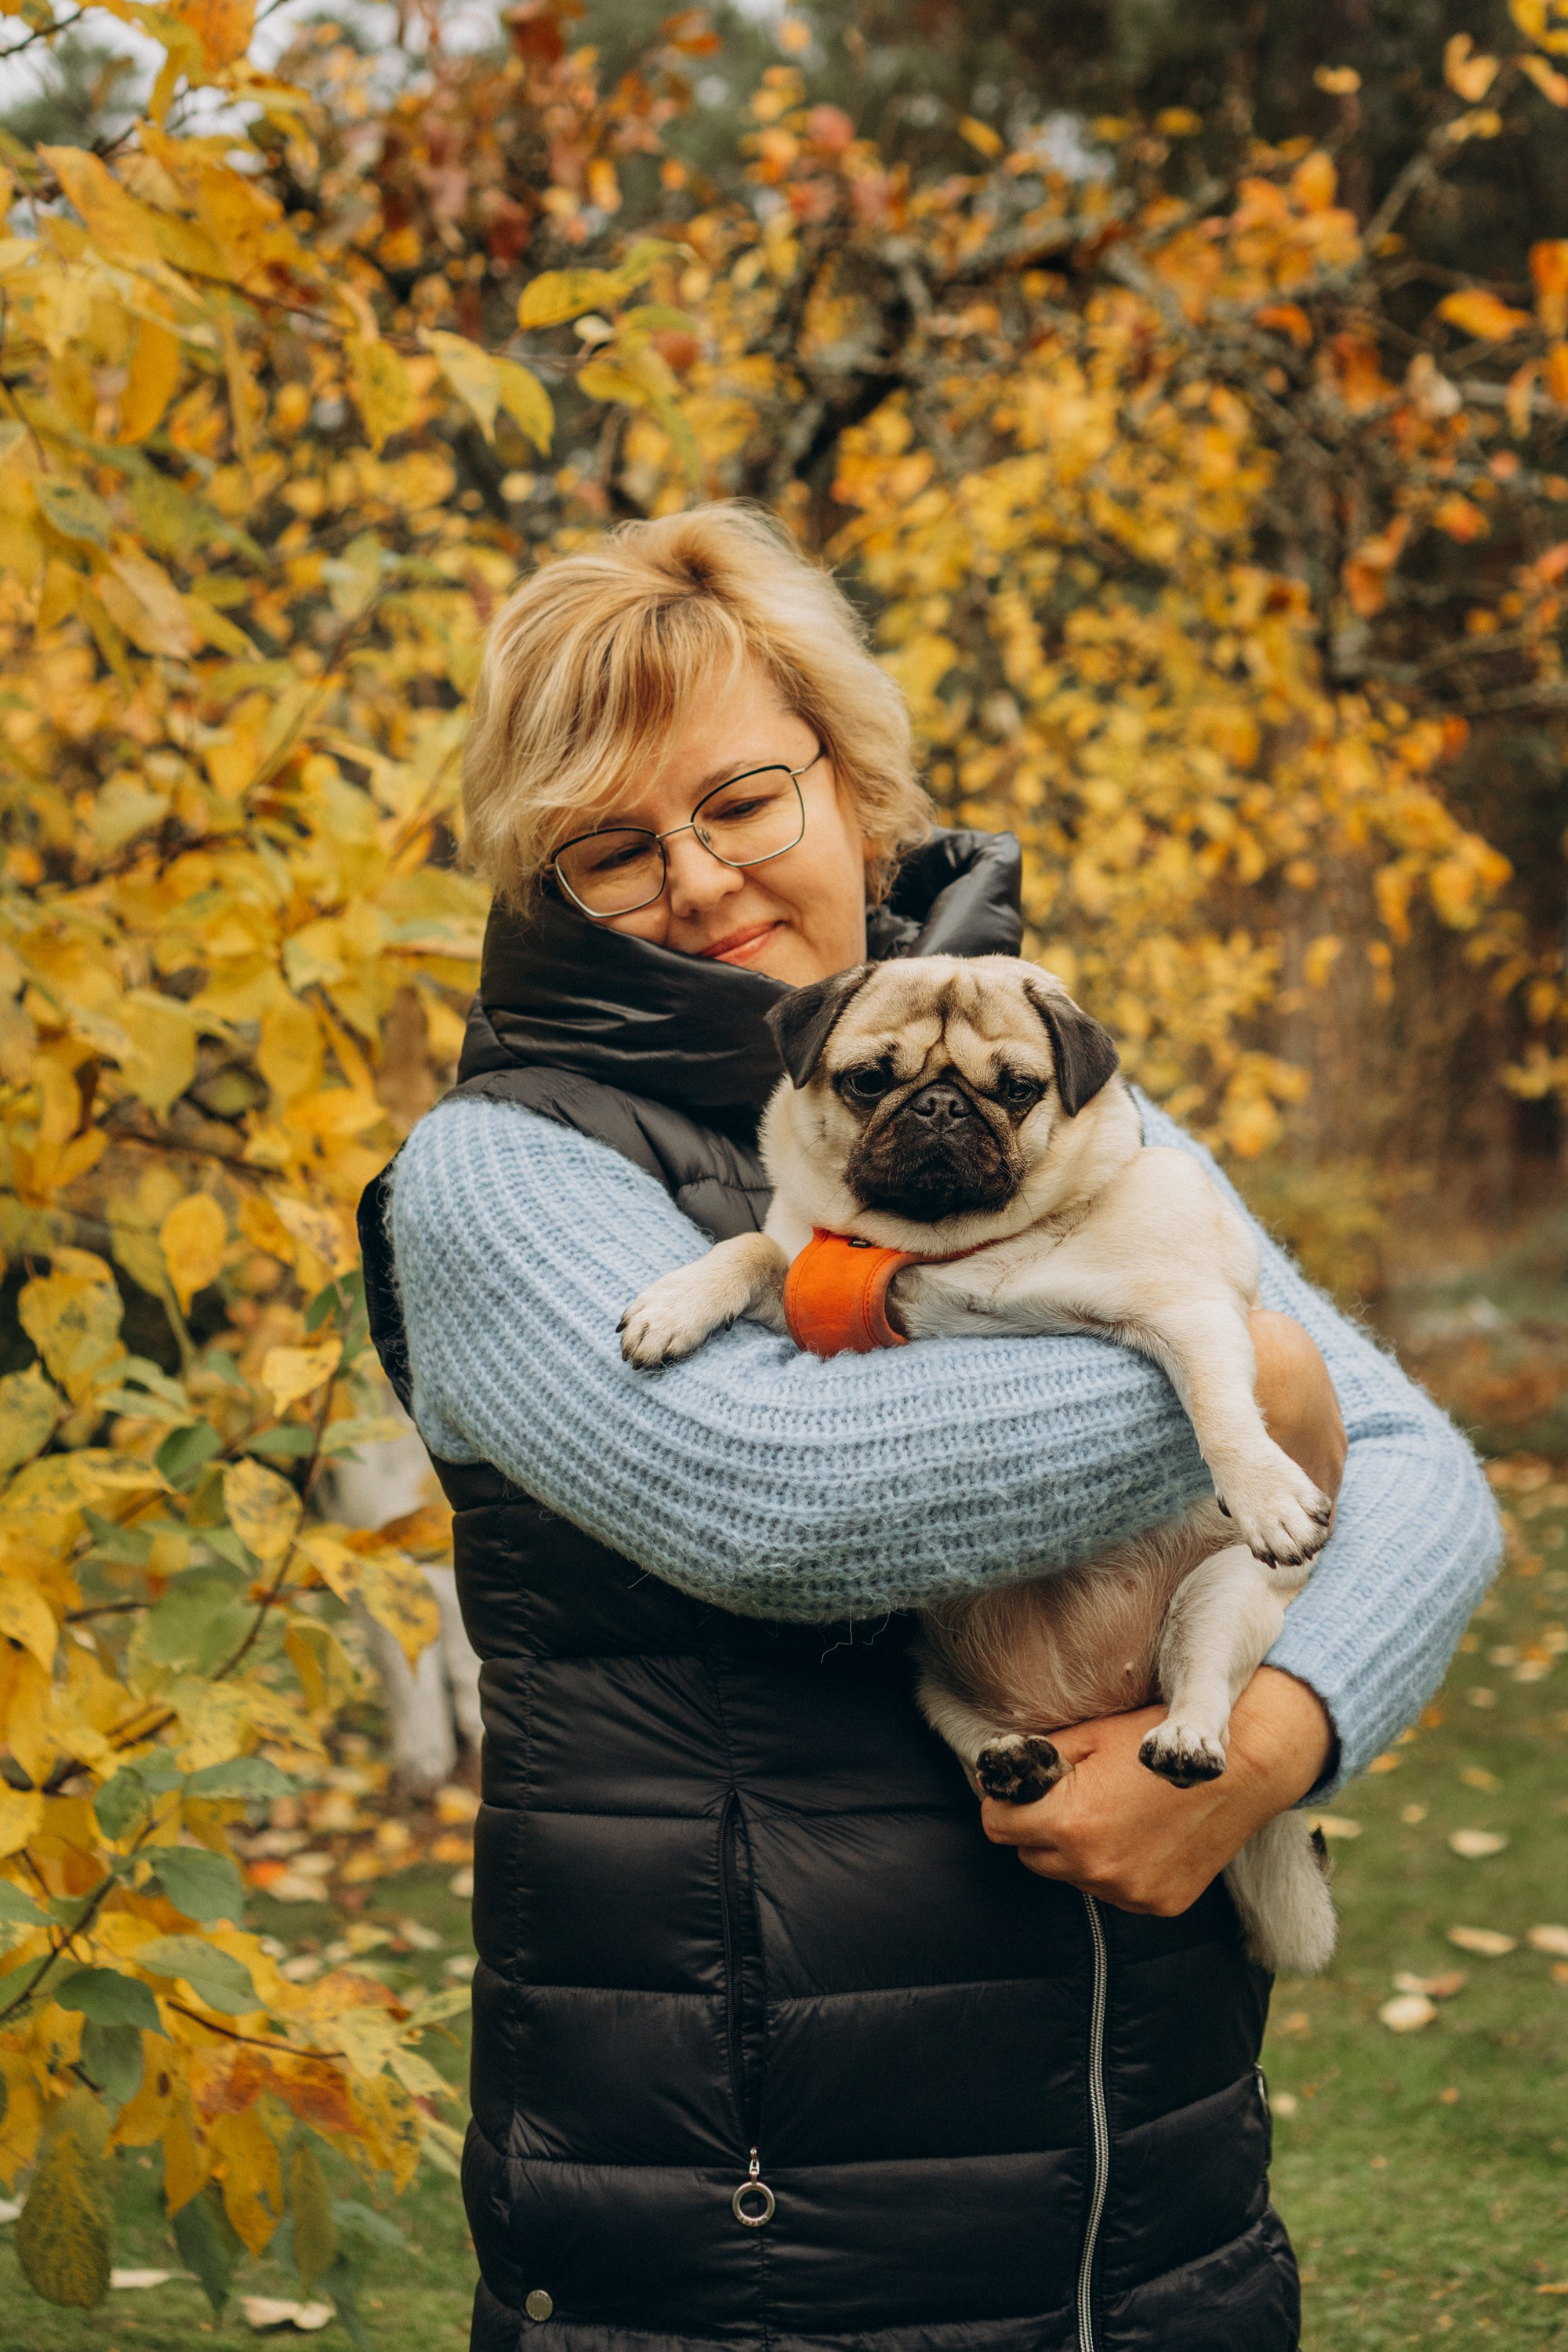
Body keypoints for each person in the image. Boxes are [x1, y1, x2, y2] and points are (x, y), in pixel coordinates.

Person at [360, 504, 1501, 2352]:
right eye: (612, 848)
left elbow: (1427, 1480)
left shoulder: (1044, 1070)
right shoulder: (500, 1175)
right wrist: (1250, 1375)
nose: (702, 879)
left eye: (740, 801)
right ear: (537, 880)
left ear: (850, 786)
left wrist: (1269, 1748)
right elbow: (779, 1494)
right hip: (750, 2217)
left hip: (1146, 2192)